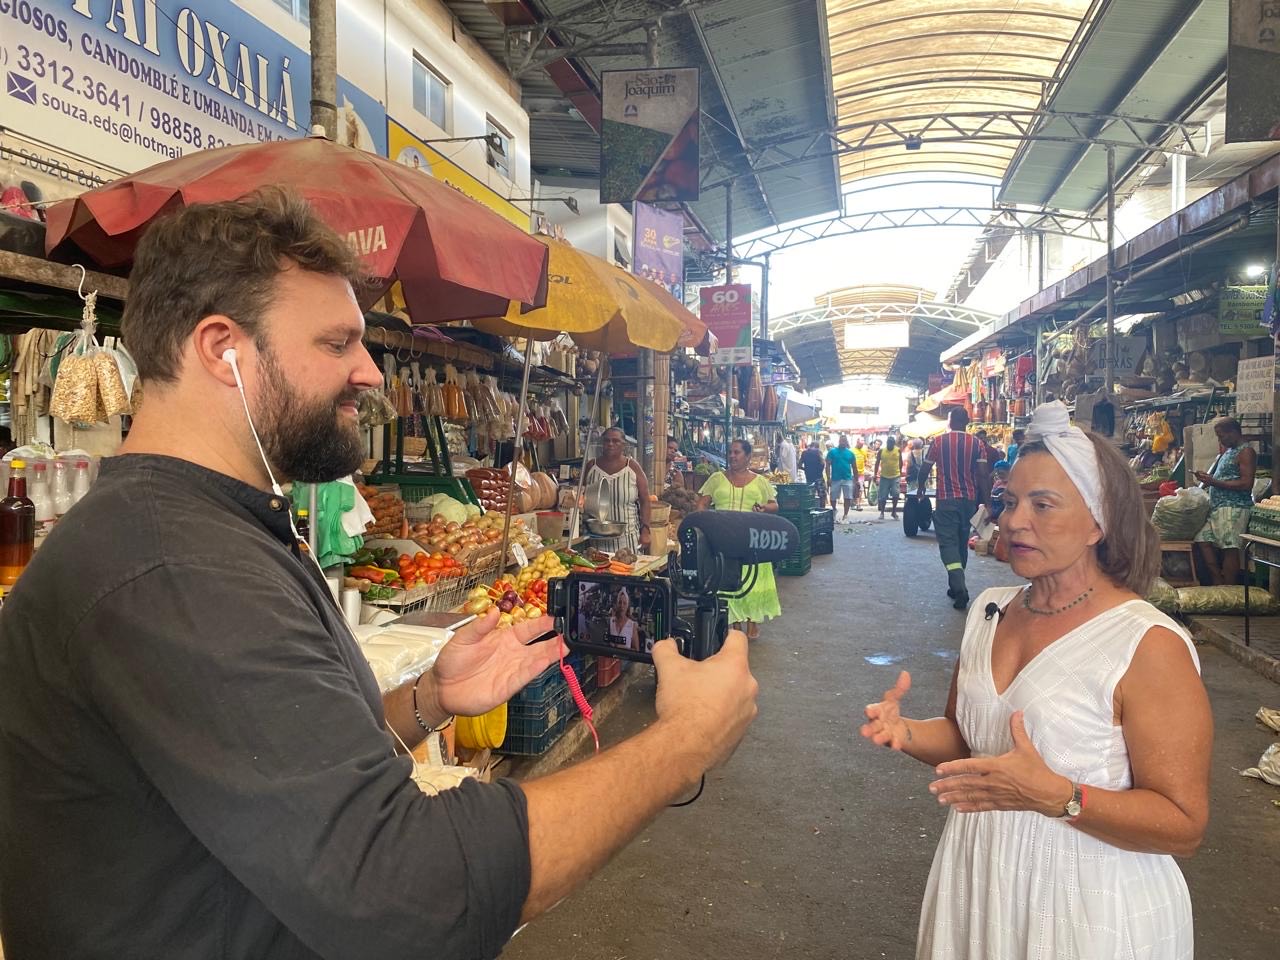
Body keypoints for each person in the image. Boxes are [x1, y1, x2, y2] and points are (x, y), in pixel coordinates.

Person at [0, 190, 760, 958]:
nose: (369, 372)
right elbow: (411, 888)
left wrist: (428, 701)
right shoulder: (172, 567)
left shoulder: (208, 527)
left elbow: (276, 769)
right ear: (219, 347)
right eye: (336, 344)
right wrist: (684, 741)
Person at [861, 401, 1210, 960]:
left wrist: (1059, 797)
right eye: (1009, 501)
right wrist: (908, 733)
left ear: (1098, 521)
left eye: (1043, 505)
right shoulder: (989, 610)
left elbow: (1183, 825)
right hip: (980, 886)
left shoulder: (1146, 644)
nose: (1015, 521)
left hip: (1091, 911)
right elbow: (967, 738)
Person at [698, 438, 781, 639]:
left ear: (748, 456)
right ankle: (734, 624)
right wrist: (706, 522)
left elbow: (774, 505)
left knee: (752, 580)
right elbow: (701, 505)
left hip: (751, 540)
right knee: (728, 580)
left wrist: (763, 508)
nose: (732, 456)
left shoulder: (760, 482)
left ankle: (752, 621)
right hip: (723, 541)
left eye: (737, 452)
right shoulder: (716, 478)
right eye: (731, 452)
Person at [919, 408, 989, 610]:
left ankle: (959, 588)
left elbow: (925, 467)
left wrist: (921, 485)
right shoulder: (977, 443)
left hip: (946, 500)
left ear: (949, 421)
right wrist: (987, 502)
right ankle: (955, 583)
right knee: (961, 541)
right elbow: (983, 475)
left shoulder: (939, 442)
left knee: (948, 544)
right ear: (967, 421)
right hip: (969, 500)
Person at [1193, 416, 1258, 585]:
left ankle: (1228, 587)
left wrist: (1214, 482)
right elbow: (1225, 477)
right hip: (1218, 507)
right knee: (1202, 539)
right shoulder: (1228, 451)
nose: (1220, 440)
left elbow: (1246, 483)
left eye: (1222, 436)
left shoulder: (1245, 452)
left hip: (1234, 508)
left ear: (1234, 432)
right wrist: (1209, 479)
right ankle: (1218, 580)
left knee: (1230, 547)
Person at [584, 425, 652, 553]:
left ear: (624, 445)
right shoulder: (591, 467)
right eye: (607, 440)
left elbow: (645, 500)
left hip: (627, 540)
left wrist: (646, 530)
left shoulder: (632, 467)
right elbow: (580, 496)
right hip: (596, 541)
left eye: (616, 441)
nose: (610, 444)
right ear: (602, 443)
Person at [826, 433, 858, 521]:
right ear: (839, 441)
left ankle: (845, 514)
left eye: (844, 441)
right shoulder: (832, 452)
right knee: (833, 497)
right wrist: (828, 478)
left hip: (847, 478)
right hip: (835, 478)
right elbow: (827, 465)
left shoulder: (850, 453)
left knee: (847, 497)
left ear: (846, 442)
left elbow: (854, 467)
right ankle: (834, 509)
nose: (843, 442)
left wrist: (856, 479)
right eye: (841, 441)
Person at [875, 435, 902, 520]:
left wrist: (899, 472)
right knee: (883, 496)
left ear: (894, 443)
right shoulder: (882, 451)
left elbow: (900, 462)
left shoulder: (898, 450)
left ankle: (893, 512)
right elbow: (877, 462)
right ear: (886, 443)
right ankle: (882, 512)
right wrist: (875, 474)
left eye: (891, 443)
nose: (890, 444)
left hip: (895, 476)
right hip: (884, 476)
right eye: (888, 443)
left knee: (896, 494)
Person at [608, 585, 639, 651]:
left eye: (624, 603)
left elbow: (636, 650)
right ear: (617, 604)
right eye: (620, 602)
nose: (622, 606)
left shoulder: (632, 625)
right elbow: (606, 642)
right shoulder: (611, 622)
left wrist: (621, 647)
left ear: (627, 606)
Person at [799, 439, 827, 507]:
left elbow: (799, 465)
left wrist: (806, 469)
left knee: (810, 496)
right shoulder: (818, 452)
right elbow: (823, 463)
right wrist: (820, 470)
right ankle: (822, 509)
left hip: (809, 478)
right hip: (818, 477)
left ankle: (811, 509)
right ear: (817, 446)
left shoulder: (804, 453)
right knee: (822, 496)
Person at [852, 437, 869, 505]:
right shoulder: (852, 450)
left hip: (861, 473)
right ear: (857, 442)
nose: (861, 446)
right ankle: (853, 501)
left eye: (862, 445)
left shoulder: (864, 451)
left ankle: (858, 503)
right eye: (860, 444)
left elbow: (865, 460)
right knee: (854, 487)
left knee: (861, 487)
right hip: (853, 472)